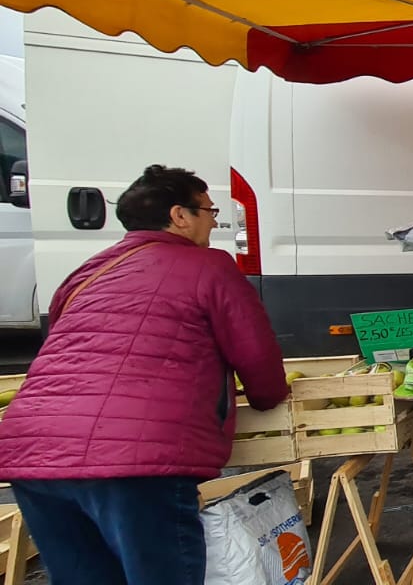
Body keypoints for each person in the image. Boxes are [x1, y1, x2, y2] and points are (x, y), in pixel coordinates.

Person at [0, 165, 289, 585]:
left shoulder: (87, 273)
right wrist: (266, 398)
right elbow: (256, 356)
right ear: (179, 215)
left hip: (33, 455)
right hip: (136, 463)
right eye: (209, 210)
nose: (214, 219)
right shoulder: (209, 266)